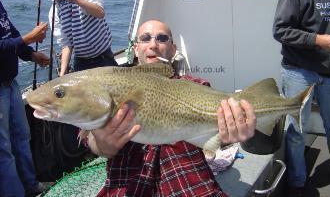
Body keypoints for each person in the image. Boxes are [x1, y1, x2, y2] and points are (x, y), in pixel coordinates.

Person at [86, 19, 256, 196]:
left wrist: (233, 133)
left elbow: (217, 133)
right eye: (145, 38)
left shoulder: (195, 86)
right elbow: (90, 136)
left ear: (173, 49)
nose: (153, 45)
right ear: (136, 48)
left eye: (162, 38)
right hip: (128, 186)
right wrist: (102, 144)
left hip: (188, 185)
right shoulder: (115, 85)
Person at [273, 0, 330, 196]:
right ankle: (297, 182)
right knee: (296, 130)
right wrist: (317, 40)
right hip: (299, 72)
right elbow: (279, 30)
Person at [0, 0, 51, 196]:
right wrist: (27, 39)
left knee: (22, 136)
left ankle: (31, 186)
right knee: (3, 149)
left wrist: (31, 54)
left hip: (10, 85)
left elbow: (12, 36)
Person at [37, 0, 117, 76]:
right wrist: (63, 72)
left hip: (103, 57)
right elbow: (66, 44)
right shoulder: (54, 12)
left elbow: (100, 12)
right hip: (81, 60)